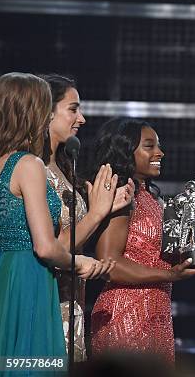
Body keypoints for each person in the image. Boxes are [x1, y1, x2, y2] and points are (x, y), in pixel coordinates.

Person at [0, 72, 110, 370]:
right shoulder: (28, 165)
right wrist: (80, 263)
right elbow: (46, 247)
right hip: (29, 278)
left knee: (10, 361)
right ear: (34, 112)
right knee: (35, 364)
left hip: (4, 274)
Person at [90, 118, 195, 364]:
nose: (160, 152)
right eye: (149, 146)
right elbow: (109, 262)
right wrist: (170, 276)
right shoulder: (122, 194)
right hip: (125, 312)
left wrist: (186, 246)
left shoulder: (150, 197)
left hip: (157, 311)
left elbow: (153, 256)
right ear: (126, 150)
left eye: (158, 145)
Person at [40, 74, 134, 361]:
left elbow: (75, 238)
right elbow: (55, 245)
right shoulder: (33, 171)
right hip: (46, 299)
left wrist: (108, 209)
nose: (81, 119)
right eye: (73, 109)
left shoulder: (62, 167)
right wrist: (95, 213)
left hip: (73, 303)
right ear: (46, 111)